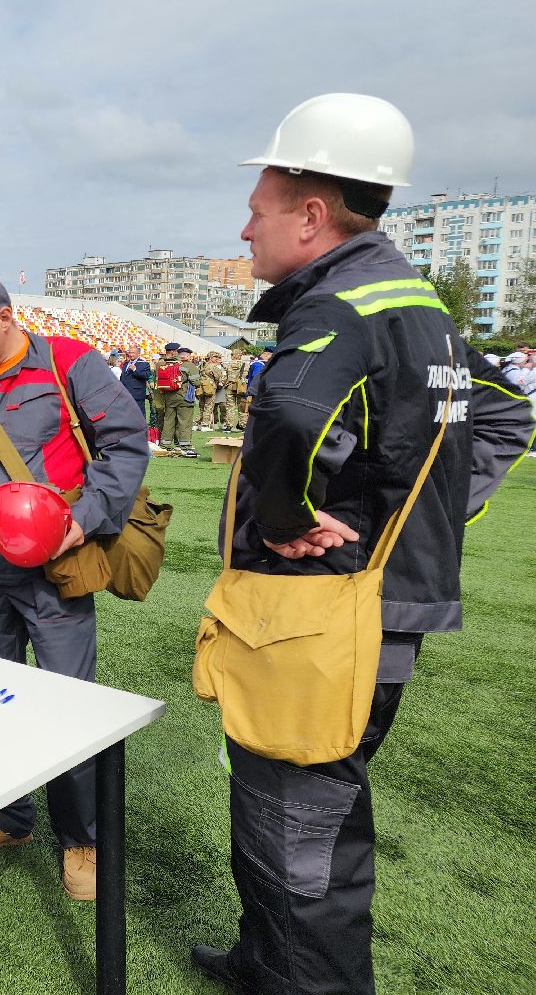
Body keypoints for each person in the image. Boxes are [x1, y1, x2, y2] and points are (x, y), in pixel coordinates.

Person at [190, 94, 536, 995]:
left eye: (258, 211)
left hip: (331, 614)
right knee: (291, 810)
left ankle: (301, 977)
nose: (244, 227)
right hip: (371, 603)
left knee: (301, 832)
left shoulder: (341, 307)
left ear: (311, 215)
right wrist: (420, 517)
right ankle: (264, 961)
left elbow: (292, 417)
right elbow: (505, 411)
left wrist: (284, 520)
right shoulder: (414, 300)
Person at [0, 274, 149, 896]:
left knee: (68, 707)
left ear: (6, 318)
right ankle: (11, 818)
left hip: (52, 577)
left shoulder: (70, 362)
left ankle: (83, 840)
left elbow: (125, 446)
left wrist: (84, 521)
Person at [151, 341, 197, 456]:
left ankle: (165, 443)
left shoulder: (161, 364)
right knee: (184, 421)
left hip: (168, 397)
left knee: (168, 421)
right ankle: (185, 445)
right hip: (184, 397)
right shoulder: (188, 365)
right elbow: (197, 381)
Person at [196, 351, 228, 431]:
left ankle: (197, 424)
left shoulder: (201, 365)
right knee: (208, 406)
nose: (217, 359)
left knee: (201, 407)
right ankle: (205, 425)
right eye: (215, 357)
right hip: (210, 387)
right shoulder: (213, 366)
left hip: (201, 387)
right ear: (211, 358)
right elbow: (218, 377)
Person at [119, 349, 152, 421]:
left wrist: (135, 370)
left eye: (133, 353)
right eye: (130, 353)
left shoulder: (144, 364)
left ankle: (141, 430)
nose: (131, 355)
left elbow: (146, 376)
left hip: (137, 395)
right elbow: (122, 378)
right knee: (127, 414)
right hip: (125, 394)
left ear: (138, 354)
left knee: (139, 415)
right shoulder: (125, 364)